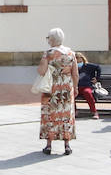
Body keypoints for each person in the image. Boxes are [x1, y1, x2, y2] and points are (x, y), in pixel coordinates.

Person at [38, 27, 78, 155]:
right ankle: (67, 145)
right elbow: (75, 74)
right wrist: (75, 87)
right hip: (66, 89)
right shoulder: (71, 53)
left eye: (48, 38)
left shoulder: (48, 54)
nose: (48, 41)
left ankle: (49, 145)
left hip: (51, 89)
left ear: (52, 39)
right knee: (66, 115)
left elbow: (42, 71)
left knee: (50, 115)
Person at [76, 52, 101, 118]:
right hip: (76, 87)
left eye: (80, 60)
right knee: (70, 94)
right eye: (76, 61)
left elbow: (98, 67)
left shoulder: (88, 66)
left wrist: (97, 78)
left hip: (86, 86)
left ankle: (94, 112)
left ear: (82, 59)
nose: (78, 63)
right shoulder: (74, 67)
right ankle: (75, 111)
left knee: (87, 93)